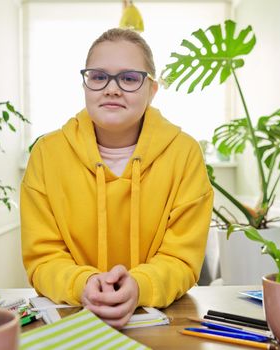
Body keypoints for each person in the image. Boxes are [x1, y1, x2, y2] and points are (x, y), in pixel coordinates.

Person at [20, 28, 213, 329]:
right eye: (98, 77)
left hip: (162, 324)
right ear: (85, 85)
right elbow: (43, 257)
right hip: (73, 320)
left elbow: (182, 258)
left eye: (129, 78)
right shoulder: (47, 154)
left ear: (152, 89)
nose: (112, 89)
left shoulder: (184, 153)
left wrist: (140, 286)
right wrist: (83, 284)